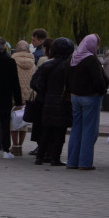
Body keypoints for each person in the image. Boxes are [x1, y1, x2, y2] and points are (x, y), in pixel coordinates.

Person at [65, 34, 109, 170]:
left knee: (76, 129)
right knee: (89, 131)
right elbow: (99, 81)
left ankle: (72, 162)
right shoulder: (91, 59)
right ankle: (85, 163)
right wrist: (102, 91)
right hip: (90, 97)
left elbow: (67, 77)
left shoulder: (72, 58)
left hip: (75, 97)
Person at [29, 37, 74, 166]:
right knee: (60, 132)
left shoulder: (47, 65)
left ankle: (40, 157)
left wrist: (44, 91)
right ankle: (55, 158)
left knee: (46, 130)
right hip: (63, 101)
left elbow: (34, 83)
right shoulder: (69, 66)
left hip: (48, 101)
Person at [9, 40, 36, 155]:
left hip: (16, 95)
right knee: (24, 122)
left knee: (14, 120)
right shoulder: (33, 63)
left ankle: (15, 146)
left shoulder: (12, 61)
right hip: (28, 96)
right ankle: (20, 145)